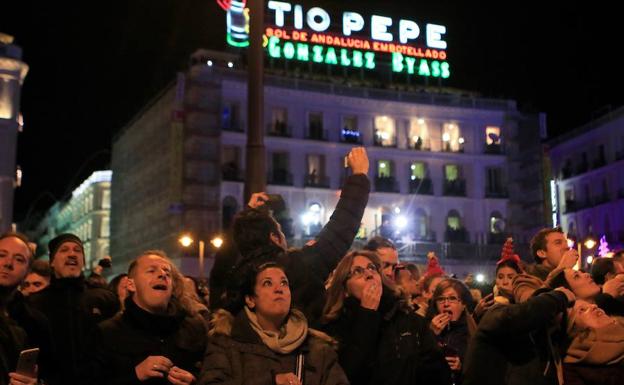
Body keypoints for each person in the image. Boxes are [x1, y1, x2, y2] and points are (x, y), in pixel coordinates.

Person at [224, 147, 370, 324]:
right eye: (280, 231)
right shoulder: (298, 267)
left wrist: (249, 216)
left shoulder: (234, 278)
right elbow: (340, 228)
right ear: (274, 238)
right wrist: (359, 176)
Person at [199, 260, 348, 385]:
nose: (279, 289)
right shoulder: (226, 343)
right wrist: (272, 381)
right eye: (267, 283)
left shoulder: (317, 348)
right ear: (250, 299)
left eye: (284, 283)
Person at [321, 250, 452, 385]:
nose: (368, 274)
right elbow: (347, 374)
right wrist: (367, 315)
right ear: (345, 289)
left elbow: (437, 371)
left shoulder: (407, 319)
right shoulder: (335, 328)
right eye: (357, 271)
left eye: (372, 268)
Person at [90, 251, 206, 385]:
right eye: (151, 271)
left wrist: (194, 381)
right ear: (131, 285)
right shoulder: (107, 333)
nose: (162, 274)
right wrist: (135, 375)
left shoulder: (193, 328)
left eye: (167, 274)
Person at [28, 233, 120, 385]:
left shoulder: (105, 299)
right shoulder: (34, 304)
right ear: (52, 261)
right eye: (64, 250)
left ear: (83, 260)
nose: (72, 254)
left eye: (77, 250)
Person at [463, 285, 576, 385]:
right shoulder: (497, 314)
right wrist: (559, 296)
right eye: (542, 301)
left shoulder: (548, 348)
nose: (549, 310)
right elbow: (523, 315)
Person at [0, 232, 52, 385]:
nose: (8, 263)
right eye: (1, 255)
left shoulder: (33, 323)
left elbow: (50, 372)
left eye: (19, 259)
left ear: (27, 272)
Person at [426, 278, 477, 384]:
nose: (446, 304)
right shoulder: (425, 327)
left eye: (452, 298)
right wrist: (431, 335)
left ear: (463, 304)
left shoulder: (472, 332)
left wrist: (462, 366)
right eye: (441, 299)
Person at [562, 300, 624, 384]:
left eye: (591, 304)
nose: (594, 306)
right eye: (582, 310)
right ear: (573, 327)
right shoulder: (574, 368)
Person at [546, 267, 624, 316]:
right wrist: (607, 296)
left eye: (582, 273)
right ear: (567, 292)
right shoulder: (582, 329)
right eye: (576, 276)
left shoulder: (615, 301)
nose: (587, 274)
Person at [415, 252, 446, 317]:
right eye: (436, 291)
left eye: (445, 289)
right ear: (425, 293)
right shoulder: (417, 317)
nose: (442, 295)